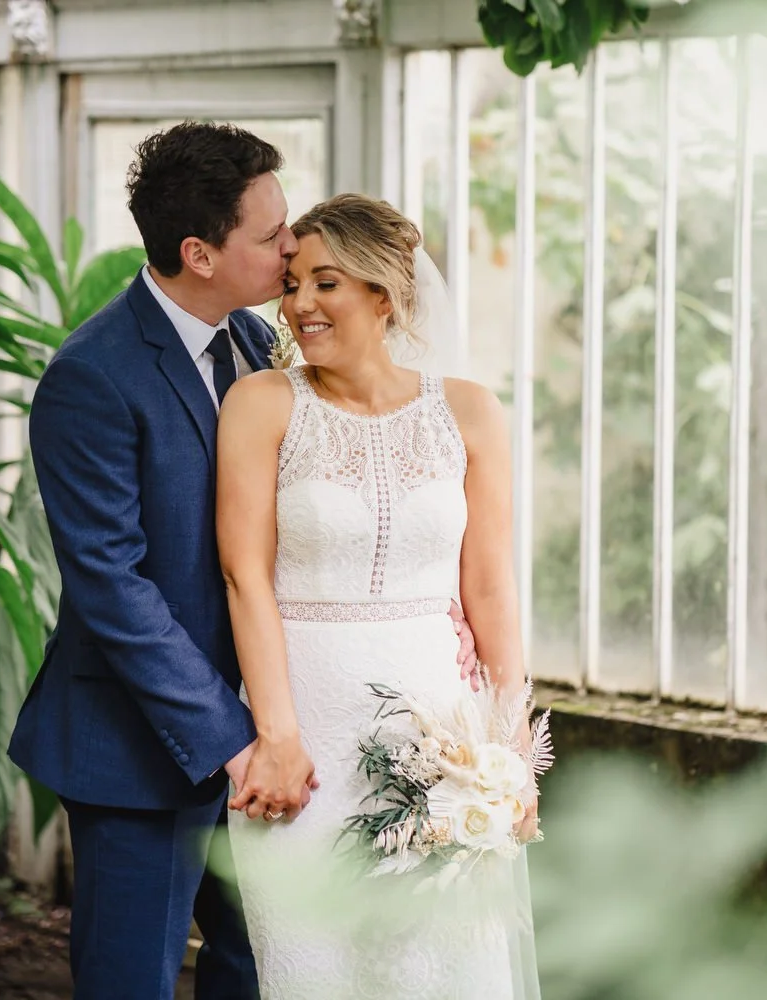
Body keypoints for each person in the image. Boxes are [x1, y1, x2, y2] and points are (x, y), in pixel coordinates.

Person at [6, 122, 480, 999]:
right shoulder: (92, 377)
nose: (292, 245)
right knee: (132, 981)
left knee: (263, 972)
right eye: (270, 236)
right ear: (199, 252)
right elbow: (112, 588)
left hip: (289, 744)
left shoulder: (262, 347)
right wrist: (239, 744)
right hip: (148, 747)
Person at [216, 194, 542, 999]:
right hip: (307, 738)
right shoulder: (263, 403)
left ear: (383, 295)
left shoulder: (469, 411)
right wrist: (277, 734)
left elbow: (492, 584)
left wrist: (508, 752)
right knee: (315, 966)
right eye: (293, 283)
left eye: (326, 283)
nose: (299, 304)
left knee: (446, 966)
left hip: (440, 733)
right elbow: (243, 576)